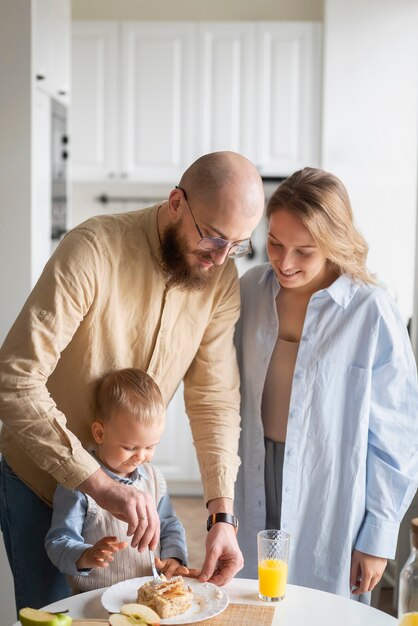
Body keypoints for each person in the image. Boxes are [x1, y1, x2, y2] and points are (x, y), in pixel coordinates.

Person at [0, 151, 265, 612]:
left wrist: (222, 516)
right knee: (57, 621)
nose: (220, 259)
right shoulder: (93, 249)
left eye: (237, 246)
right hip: (40, 484)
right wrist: (99, 485)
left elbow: (214, 401)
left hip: (134, 499)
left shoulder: (220, 280)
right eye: (213, 237)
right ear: (177, 203)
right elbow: (15, 377)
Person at [234, 167, 418, 601]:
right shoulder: (249, 291)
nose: (284, 261)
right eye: (275, 243)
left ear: (333, 245)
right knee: (251, 602)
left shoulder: (371, 310)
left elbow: (398, 435)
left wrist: (376, 536)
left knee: (324, 608)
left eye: (305, 251)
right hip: (254, 473)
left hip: (331, 486)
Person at [45, 368, 189, 592]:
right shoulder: (78, 484)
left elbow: (169, 525)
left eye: (150, 447)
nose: (141, 456)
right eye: (130, 447)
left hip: (148, 594)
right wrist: (86, 555)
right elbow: (58, 542)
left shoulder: (153, 478)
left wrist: (174, 557)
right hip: (94, 601)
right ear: (100, 434)